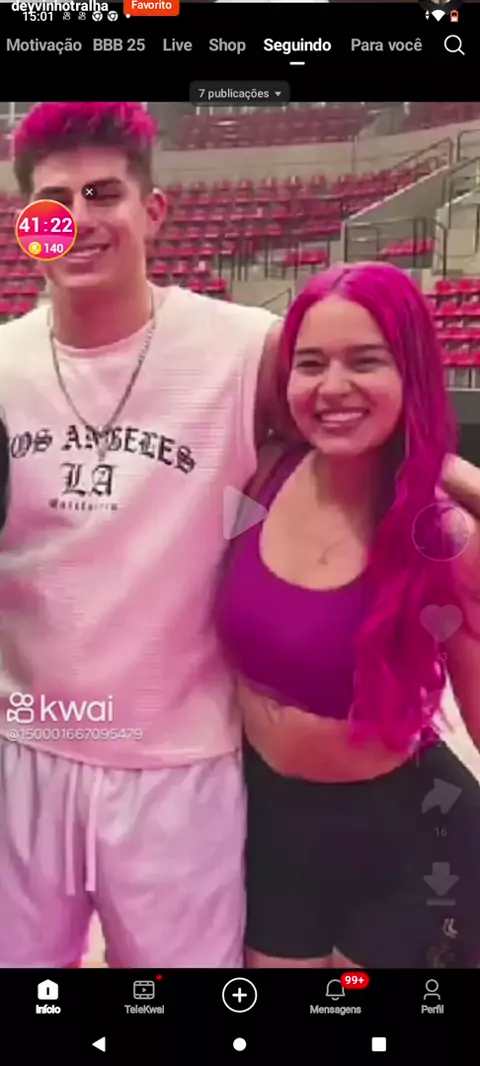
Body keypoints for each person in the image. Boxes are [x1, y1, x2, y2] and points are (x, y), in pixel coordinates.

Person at [0, 101, 284, 969]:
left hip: (178, 765)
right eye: (54, 202)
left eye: (103, 194)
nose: (78, 220)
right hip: (22, 753)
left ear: (154, 210)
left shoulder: (246, 351)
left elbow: (376, 435)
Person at [216, 262, 480, 969]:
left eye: (365, 361)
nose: (332, 387)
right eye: (311, 364)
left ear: (411, 372)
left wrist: (441, 468)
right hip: (270, 826)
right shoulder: (258, 475)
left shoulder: (444, 535)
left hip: (410, 843)